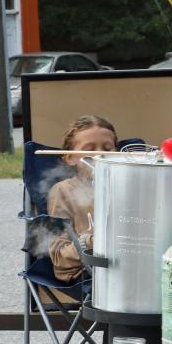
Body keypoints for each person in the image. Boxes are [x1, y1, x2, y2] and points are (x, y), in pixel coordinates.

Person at [47, 115, 117, 281]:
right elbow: (60, 258)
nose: (100, 154)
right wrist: (94, 241)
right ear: (70, 158)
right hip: (88, 274)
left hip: (129, 267)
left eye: (107, 149)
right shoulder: (64, 191)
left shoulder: (128, 187)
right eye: (90, 149)